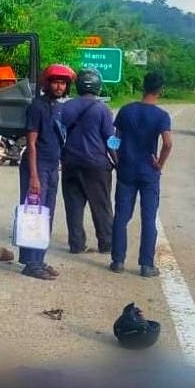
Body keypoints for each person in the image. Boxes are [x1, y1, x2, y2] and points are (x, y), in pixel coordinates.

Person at [109, 72, 172, 277]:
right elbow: (168, 143)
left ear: (143, 87)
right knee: (148, 218)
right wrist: (160, 164)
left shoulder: (126, 110)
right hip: (148, 172)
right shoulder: (161, 116)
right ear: (160, 90)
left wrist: (117, 158)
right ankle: (146, 265)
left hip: (127, 169)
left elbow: (114, 139)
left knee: (121, 216)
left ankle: (117, 260)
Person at [18, 63, 75, 280]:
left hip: (52, 168)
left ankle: (38, 259)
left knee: (46, 215)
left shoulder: (57, 107)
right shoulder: (37, 106)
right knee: (33, 215)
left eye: (63, 83)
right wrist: (33, 175)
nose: (59, 86)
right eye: (56, 82)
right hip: (37, 167)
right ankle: (31, 263)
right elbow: (31, 143)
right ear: (47, 83)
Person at [60, 68, 115, 254]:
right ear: (98, 86)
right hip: (96, 165)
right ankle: (106, 243)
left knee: (73, 206)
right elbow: (110, 139)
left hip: (71, 162)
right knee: (101, 206)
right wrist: (118, 161)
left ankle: (76, 244)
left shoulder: (66, 107)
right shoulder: (103, 109)